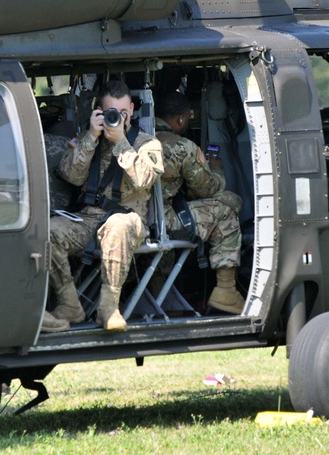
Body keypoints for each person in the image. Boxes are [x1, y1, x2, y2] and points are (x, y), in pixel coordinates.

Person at [43, 80, 164, 333]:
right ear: (98, 110)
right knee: (47, 231)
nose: (116, 119)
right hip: (88, 220)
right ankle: (69, 305)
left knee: (118, 226)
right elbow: (70, 176)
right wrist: (90, 138)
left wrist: (121, 141)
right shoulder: (89, 138)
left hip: (126, 219)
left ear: (131, 110)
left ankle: (109, 309)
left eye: (121, 113)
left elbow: (144, 180)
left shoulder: (147, 143)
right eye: (110, 113)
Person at [154, 91, 245, 315]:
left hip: (130, 220)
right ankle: (226, 290)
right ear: (182, 119)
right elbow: (208, 189)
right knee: (228, 204)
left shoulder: (131, 139)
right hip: (162, 223)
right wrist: (215, 168)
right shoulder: (183, 147)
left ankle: (157, 288)